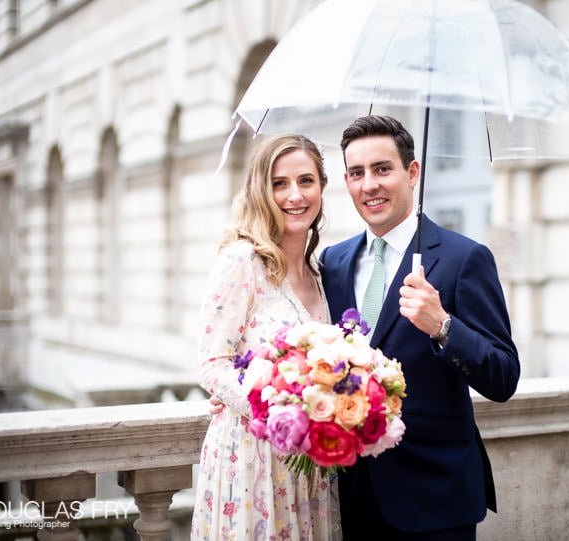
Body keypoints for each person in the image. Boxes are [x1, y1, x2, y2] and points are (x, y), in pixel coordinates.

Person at [319, 115, 520, 540]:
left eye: (382, 169)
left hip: (436, 499)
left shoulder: (464, 258)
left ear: (412, 173)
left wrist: (444, 326)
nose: (369, 184)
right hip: (352, 499)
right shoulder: (332, 263)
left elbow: (503, 376)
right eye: (357, 173)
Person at [191, 134, 340, 541]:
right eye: (280, 183)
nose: (295, 195)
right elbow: (211, 363)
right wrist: (275, 412)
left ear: (322, 188)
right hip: (253, 460)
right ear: (261, 190)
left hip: (311, 466)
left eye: (306, 181)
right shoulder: (241, 261)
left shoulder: (321, 274)